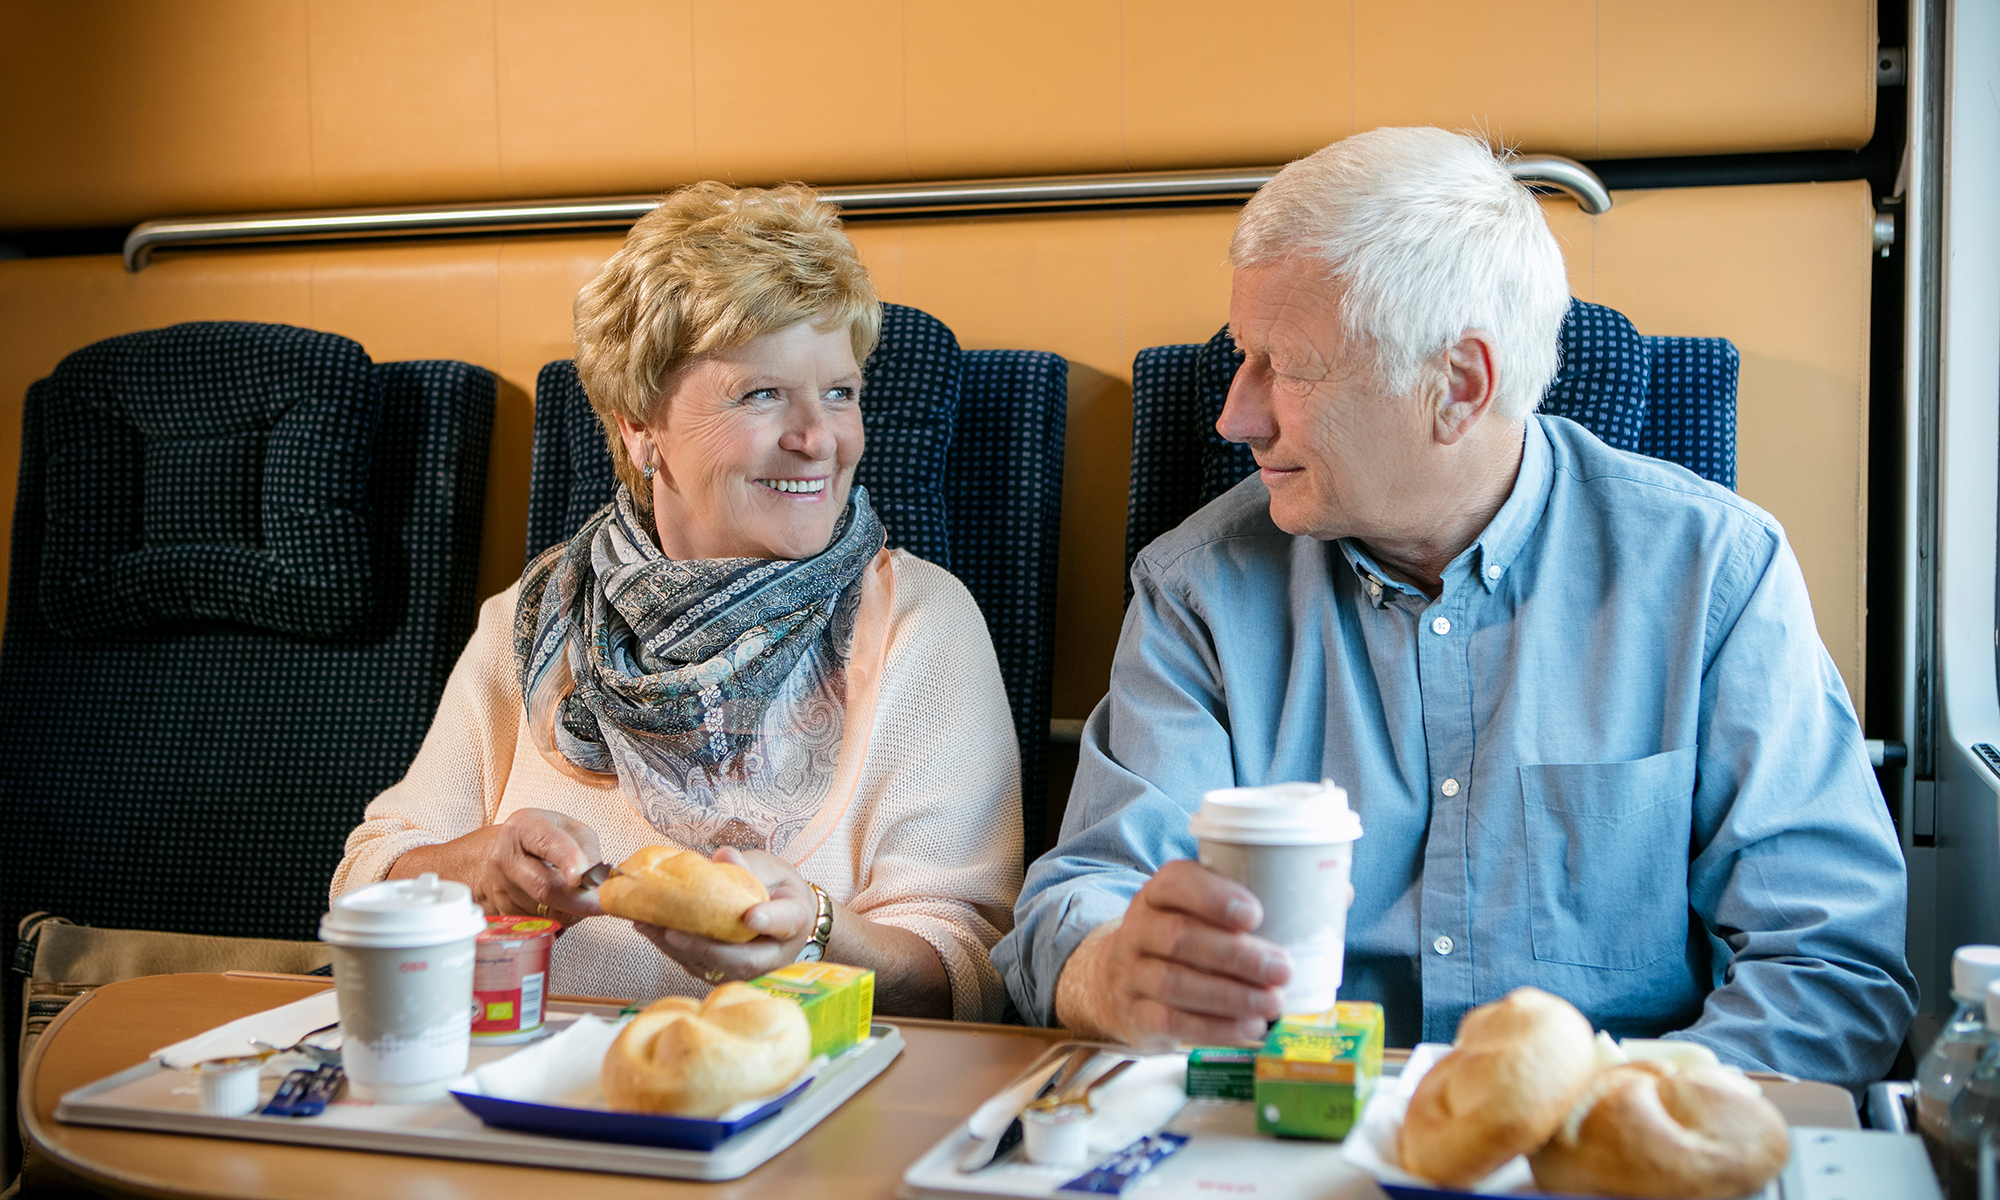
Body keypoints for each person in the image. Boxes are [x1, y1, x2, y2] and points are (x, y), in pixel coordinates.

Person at [992, 127, 1916, 1088]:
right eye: (1241, 356)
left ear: (1457, 386)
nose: (1234, 416)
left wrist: (1608, 1128)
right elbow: (1080, 904)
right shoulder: (1198, 591)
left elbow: (1831, 967)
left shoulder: (1715, 573)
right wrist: (1111, 972)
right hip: (1289, 1133)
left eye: (1288, 365)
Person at [335, 183, 1022, 1020]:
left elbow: (977, 977)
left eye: (841, 392)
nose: (820, 438)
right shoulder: (538, 614)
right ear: (637, 425)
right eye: (762, 394)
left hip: (802, 1111)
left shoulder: (922, 622)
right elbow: (369, 877)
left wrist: (815, 931)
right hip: (524, 1093)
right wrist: (474, 869)